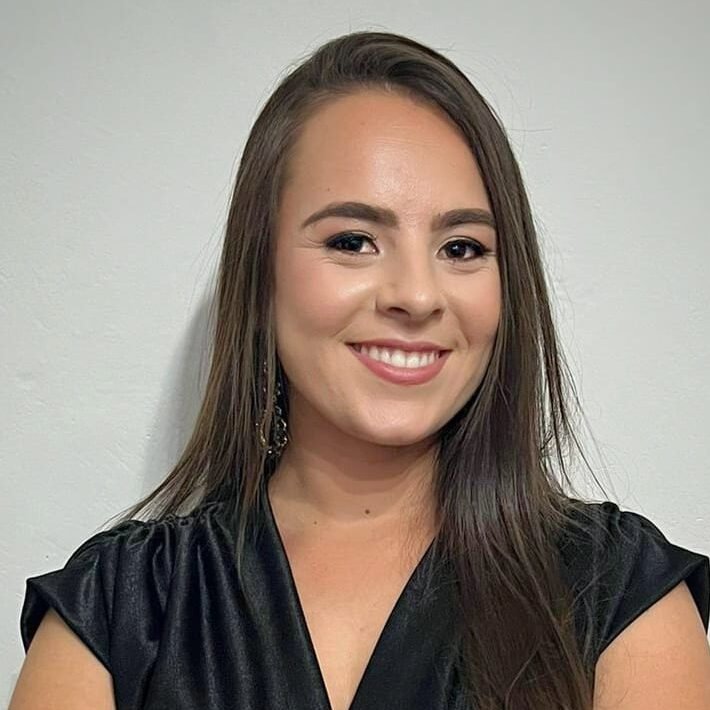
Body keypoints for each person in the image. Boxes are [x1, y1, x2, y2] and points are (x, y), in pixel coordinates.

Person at [10, 30, 710, 710]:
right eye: (353, 240)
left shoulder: (615, 591)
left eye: (462, 247)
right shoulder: (120, 607)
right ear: (260, 273)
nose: (417, 295)